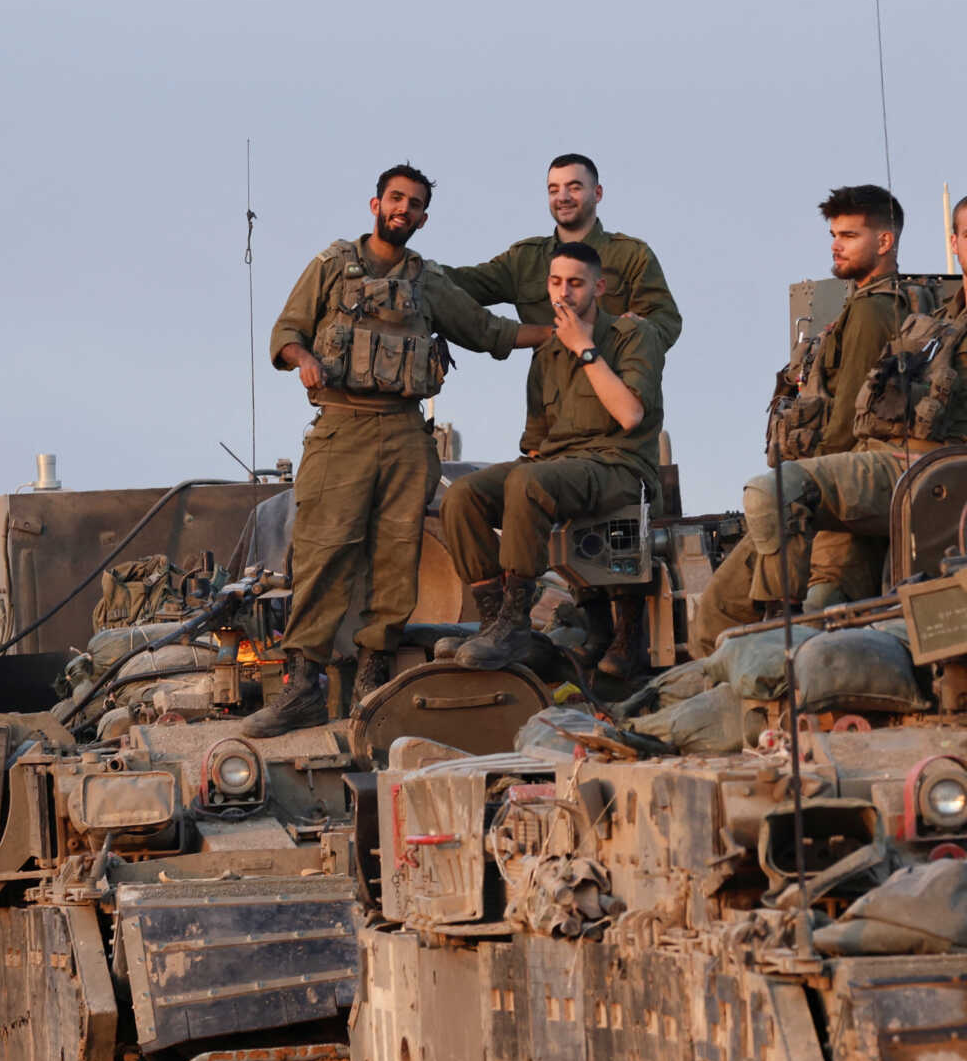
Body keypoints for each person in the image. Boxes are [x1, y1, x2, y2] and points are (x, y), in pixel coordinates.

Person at [250, 165, 545, 738]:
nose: (402, 210)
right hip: (341, 429)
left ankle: (372, 679)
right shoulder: (333, 265)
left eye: (414, 204)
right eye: (395, 199)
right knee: (322, 553)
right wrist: (302, 358)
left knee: (396, 559)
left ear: (423, 217)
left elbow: (488, 332)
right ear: (375, 204)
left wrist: (559, 333)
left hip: (407, 435)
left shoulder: (428, 281)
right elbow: (285, 332)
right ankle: (302, 685)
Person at [736, 191, 967, 608]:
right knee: (823, 598)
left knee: (775, 490)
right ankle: (782, 626)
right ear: (954, 243)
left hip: (937, 467)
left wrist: (959, 463)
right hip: (894, 455)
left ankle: (776, 619)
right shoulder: (941, 319)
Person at [693, 185, 922, 648]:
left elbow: (846, 421)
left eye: (849, 235)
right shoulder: (872, 303)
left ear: (885, 242)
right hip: (825, 487)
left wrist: (811, 482)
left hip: (827, 489)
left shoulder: (875, 309)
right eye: (834, 234)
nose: (836, 245)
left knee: (724, 611)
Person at [443, 241, 665, 673]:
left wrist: (585, 348)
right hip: (558, 465)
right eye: (556, 282)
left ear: (599, 287)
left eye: (576, 284)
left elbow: (630, 414)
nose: (564, 294)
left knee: (528, 482)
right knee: (462, 496)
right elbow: (535, 443)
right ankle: (495, 623)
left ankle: (516, 624)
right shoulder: (546, 352)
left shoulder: (634, 335)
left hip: (618, 465)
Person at [444, 154, 681, 350]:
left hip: (616, 388)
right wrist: (410, 263)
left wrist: (627, 333)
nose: (563, 197)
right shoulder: (525, 260)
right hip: (549, 397)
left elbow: (665, 321)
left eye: (574, 188)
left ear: (597, 193)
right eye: (554, 190)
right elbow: (457, 284)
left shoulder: (631, 255)